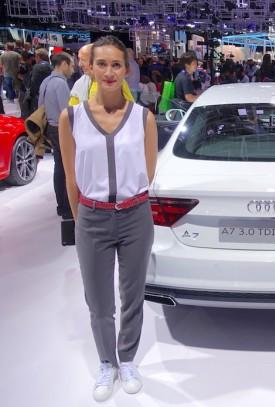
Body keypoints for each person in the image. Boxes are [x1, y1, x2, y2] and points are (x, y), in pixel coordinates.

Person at [58, 35, 158, 402]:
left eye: (117, 64)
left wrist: (130, 201)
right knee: (98, 301)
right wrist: (82, 219)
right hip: (92, 217)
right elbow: (70, 178)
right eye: (102, 64)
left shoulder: (143, 118)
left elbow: (148, 171)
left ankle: (126, 359)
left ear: (127, 70)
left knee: (132, 295)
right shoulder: (72, 118)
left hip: (135, 216)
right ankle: (107, 362)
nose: (110, 71)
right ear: (90, 68)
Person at [38, 52, 75, 219]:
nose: (73, 70)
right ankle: (67, 207)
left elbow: (40, 106)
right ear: (64, 64)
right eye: (71, 65)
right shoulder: (60, 83)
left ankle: (62, 205)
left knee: (59, 166)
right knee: (66, 168)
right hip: (61, 128)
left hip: (50, 127)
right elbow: (67, 112)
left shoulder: (46, 82)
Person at [24, 48, 52, 117]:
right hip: (48, 95)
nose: (34, 58)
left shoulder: (37, 67)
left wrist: (30, 95)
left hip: (38, 96)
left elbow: (33, 83)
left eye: (35, 56)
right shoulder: (50, 66)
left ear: (38, 56)